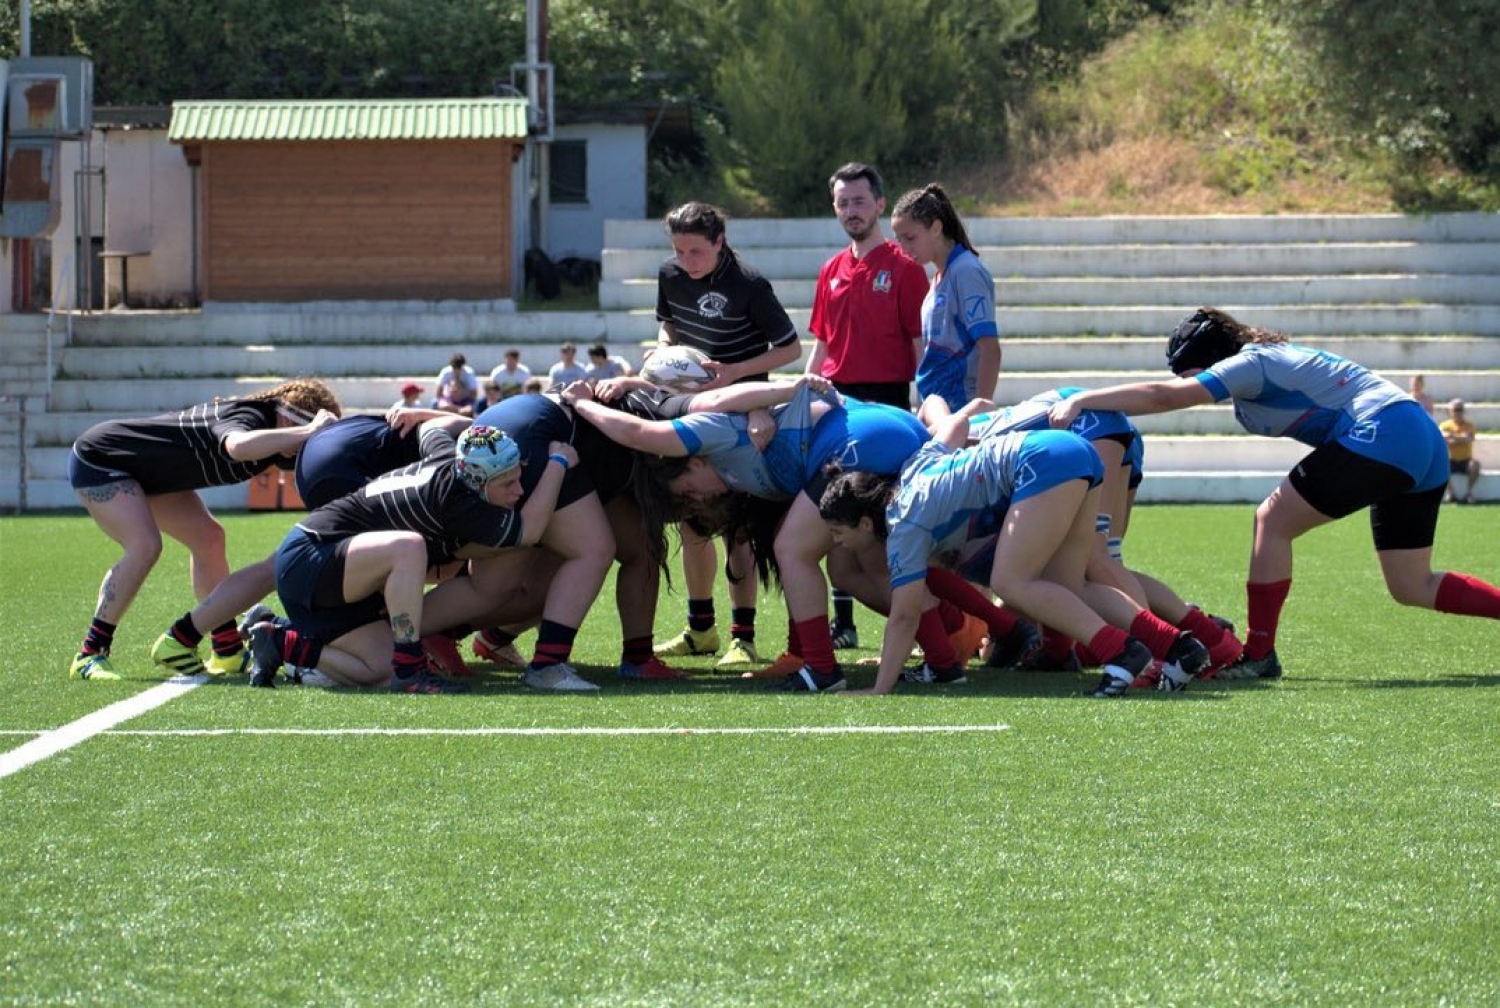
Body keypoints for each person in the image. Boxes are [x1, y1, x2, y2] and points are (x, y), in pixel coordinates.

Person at [1048, 307, 1500, 680]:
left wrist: (1084, 400)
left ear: (1212, 358)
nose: (1187, 380)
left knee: (1272, 520)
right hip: (1417, 438)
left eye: (1189, 371)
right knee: (1411, 585)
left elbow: (1166, 397)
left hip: (1384, 429)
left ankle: (1260, 655)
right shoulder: (1264, 372)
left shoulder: (1252, 362)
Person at [817, 407, 1181, 698]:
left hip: (1041, 461)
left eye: (838, 532)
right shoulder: (915, 466)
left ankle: (1120, 650)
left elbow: (904, 617)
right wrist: (962, 408)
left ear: (866, 523)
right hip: (1075, 448)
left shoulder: (903, 526)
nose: (837, 542)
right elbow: (955, 425)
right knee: (1067, 585)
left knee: (1011, 582)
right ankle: (1176, 644)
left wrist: (880, 688)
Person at [248, 424, 575, 693]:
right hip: (309, 555)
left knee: (379, 671)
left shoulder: (452, 460)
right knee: (409, 547)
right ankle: (411, 669)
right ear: (477, 482)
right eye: (508, 483)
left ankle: (281, 639)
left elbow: (431, 428)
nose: (518, 491)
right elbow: (529, 530)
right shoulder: (457, 501)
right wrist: (558, 463)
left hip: (334, 574)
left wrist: (429, 416)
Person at [65, 380, 341, 681]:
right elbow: (236, 447)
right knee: (145, 545)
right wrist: (309, 431)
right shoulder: (252, 415)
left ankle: (227, 650)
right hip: (101, 458)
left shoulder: (272, 433)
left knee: (209, 539)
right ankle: (90, 653)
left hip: (150, 475)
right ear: (289, 419)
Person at [652, 201, 804, 667]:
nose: (686, 261)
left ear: (719, 241)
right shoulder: (671, 274)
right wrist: (666, 357)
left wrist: (739, 377)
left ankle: (744, 636)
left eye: (696, 251)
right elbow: (668, 326)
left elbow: (790, 349)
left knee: (737, 530)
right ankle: (701, 630)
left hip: (741, 415)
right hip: (691, 408)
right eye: (679, 251)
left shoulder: (750, 285)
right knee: (691, 520)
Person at [807, 162, 931, 650]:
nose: (851, 210)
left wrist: (924, 405)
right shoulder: (830, 270)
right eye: (843, 202)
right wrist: (804, 393)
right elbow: (820, 345)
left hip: (888, 406)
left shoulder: (904, 268)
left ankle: (927, 629)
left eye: (860, 201)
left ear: (880, 204)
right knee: (834, 513)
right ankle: (844, 623)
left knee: (886, 523)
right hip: (837, 405)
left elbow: (921, 344)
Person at [890, 183, 1002, 411]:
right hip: (939, 408)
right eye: (899, 240)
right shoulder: (939, 277)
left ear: (936, 228)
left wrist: (980, 413)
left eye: (910, 237)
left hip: (961, 409)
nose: (903, 248)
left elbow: (990, 347)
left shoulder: (966, 271)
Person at [1440, 398, 1482, 504]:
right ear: (1450, 411)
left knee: (1475, 465)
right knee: (1440, 464)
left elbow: (1469, 438)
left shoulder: (1469, 425)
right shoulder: (1445, 425)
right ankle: (1450, 493)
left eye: (1460, 409)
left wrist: (1452, 437)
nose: (1458, 412)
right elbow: (1443, 438)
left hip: (1466, 460)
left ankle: (1469, 493)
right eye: (1455, 410)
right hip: (1451, 460)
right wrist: (1462, 438)